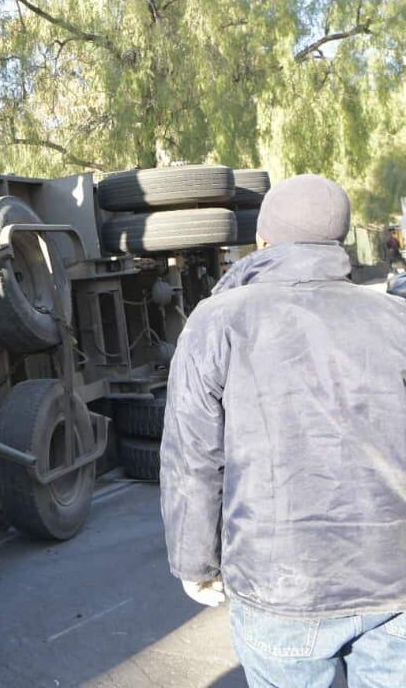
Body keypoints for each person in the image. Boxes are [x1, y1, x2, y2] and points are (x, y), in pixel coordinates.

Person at [160, 174, 406, 687]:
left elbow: (194, 457)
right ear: (338, 240)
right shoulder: (396, 318)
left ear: (265, 241)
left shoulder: (216, 321)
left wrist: (195, 561)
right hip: (396, 578)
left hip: (281, 584)